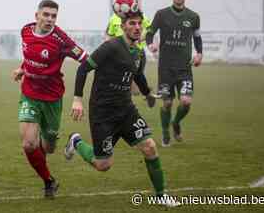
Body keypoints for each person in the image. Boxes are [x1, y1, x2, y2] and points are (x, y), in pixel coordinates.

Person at [65, 11, 180, 207]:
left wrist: (147, 93)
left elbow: (137, 75)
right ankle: (76, 142)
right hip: (103, 112)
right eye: (132, 24)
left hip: (126, 110)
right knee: (103, 165)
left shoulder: (138, 52)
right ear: (124, 26)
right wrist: (77, 99)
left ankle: (161, 196)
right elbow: (83, 68)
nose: (137, 27)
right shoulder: (111, 47)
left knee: (150, 147)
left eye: (139, 25)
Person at [12, 0, 87, 198]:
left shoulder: (61, 40)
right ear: (37, 15)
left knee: (49, 147)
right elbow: (29, 54)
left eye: (53, 16)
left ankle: (71, 140)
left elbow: (85, 59)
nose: (50, 19)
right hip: (29, 94)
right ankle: (48, 181)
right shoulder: (25, 31)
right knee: (29, 143)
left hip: (52, 97)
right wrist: (22, 69)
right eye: (46, 14)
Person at [146, 0, 203, 147]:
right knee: (167, 103)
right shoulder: (161, 14)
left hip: (184, 68)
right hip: (165, 68)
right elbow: (150, 33)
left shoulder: (193, 17)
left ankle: (176, 123)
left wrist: (199, 54)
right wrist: (151, 44)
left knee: (186, 101)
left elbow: (197, 37)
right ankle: (165, 133)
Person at [106, 0, 152, 95]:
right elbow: (109, 34)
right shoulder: (114, 18)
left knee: (136, 79)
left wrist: (140, 38)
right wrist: (109, 45)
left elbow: (150, 29)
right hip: (119, 53)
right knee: (123, 83)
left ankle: (144, 92)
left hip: (137, 52)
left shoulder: (140, 16)